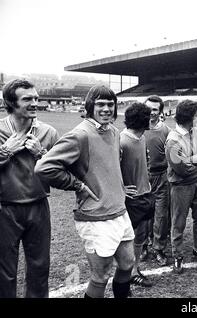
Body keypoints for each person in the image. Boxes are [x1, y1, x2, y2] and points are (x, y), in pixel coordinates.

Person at [35, 85, 135, 298]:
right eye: (100, 104)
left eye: (110, 104)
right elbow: (44, 167)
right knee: (101, 275)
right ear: (90, 106)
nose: (107, 108)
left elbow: (108, 167)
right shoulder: (80, 135)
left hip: (119, 211)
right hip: (95, 216)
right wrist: (77, 184)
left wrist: (119, 187)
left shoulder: (114, 131)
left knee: (128, 264)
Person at [0, 79, 59, 298]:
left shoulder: (48, 132)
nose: (35, 103)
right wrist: (6, 151)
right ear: (11, 102)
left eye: (36, 98)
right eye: (27, 99)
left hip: (38, 206)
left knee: (40, 267)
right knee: (4, 272)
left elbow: (61, 171)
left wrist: (42, 154)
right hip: (5, 209)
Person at [165, 99, 197, 274]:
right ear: (188, 117)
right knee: (178, 222)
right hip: (181, 186)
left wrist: (193, 160)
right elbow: (181, 170)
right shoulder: (172, 140)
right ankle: (177, 255)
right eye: (196, 115)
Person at [120, 103, 154, 287]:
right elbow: (111, 170)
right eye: (148, 117)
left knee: (141, 236)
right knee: (127, 238)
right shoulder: (122, 141)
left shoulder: (141, 138)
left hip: (145, 194)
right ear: (143, 120)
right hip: (130, 199)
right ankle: (127, 273)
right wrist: (121, 189)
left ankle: (134, 269)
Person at [142, 95, 171, 266]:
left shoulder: (166, 131)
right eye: (148, 109)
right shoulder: (137, 128)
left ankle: (159, 248)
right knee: (144, 213)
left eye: (155, 109)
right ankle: (144, 245)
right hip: (143, 176)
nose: (151, 112)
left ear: (160, 111)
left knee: (161, 215)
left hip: (161, 176)